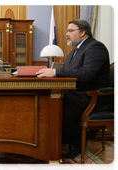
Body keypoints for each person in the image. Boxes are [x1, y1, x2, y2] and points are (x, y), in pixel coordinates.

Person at [36, 19, 114, 158]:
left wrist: (55, 72)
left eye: (71, 31)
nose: (67, 34)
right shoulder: (73, 52)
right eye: (67, 31)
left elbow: (86, 73)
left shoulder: (96, 47)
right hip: (77, 94)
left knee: (56, 112)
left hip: (91, 97)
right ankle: (50, 142)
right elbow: (68, 73)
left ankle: (77, 140)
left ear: (83, 32)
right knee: (47, 103)